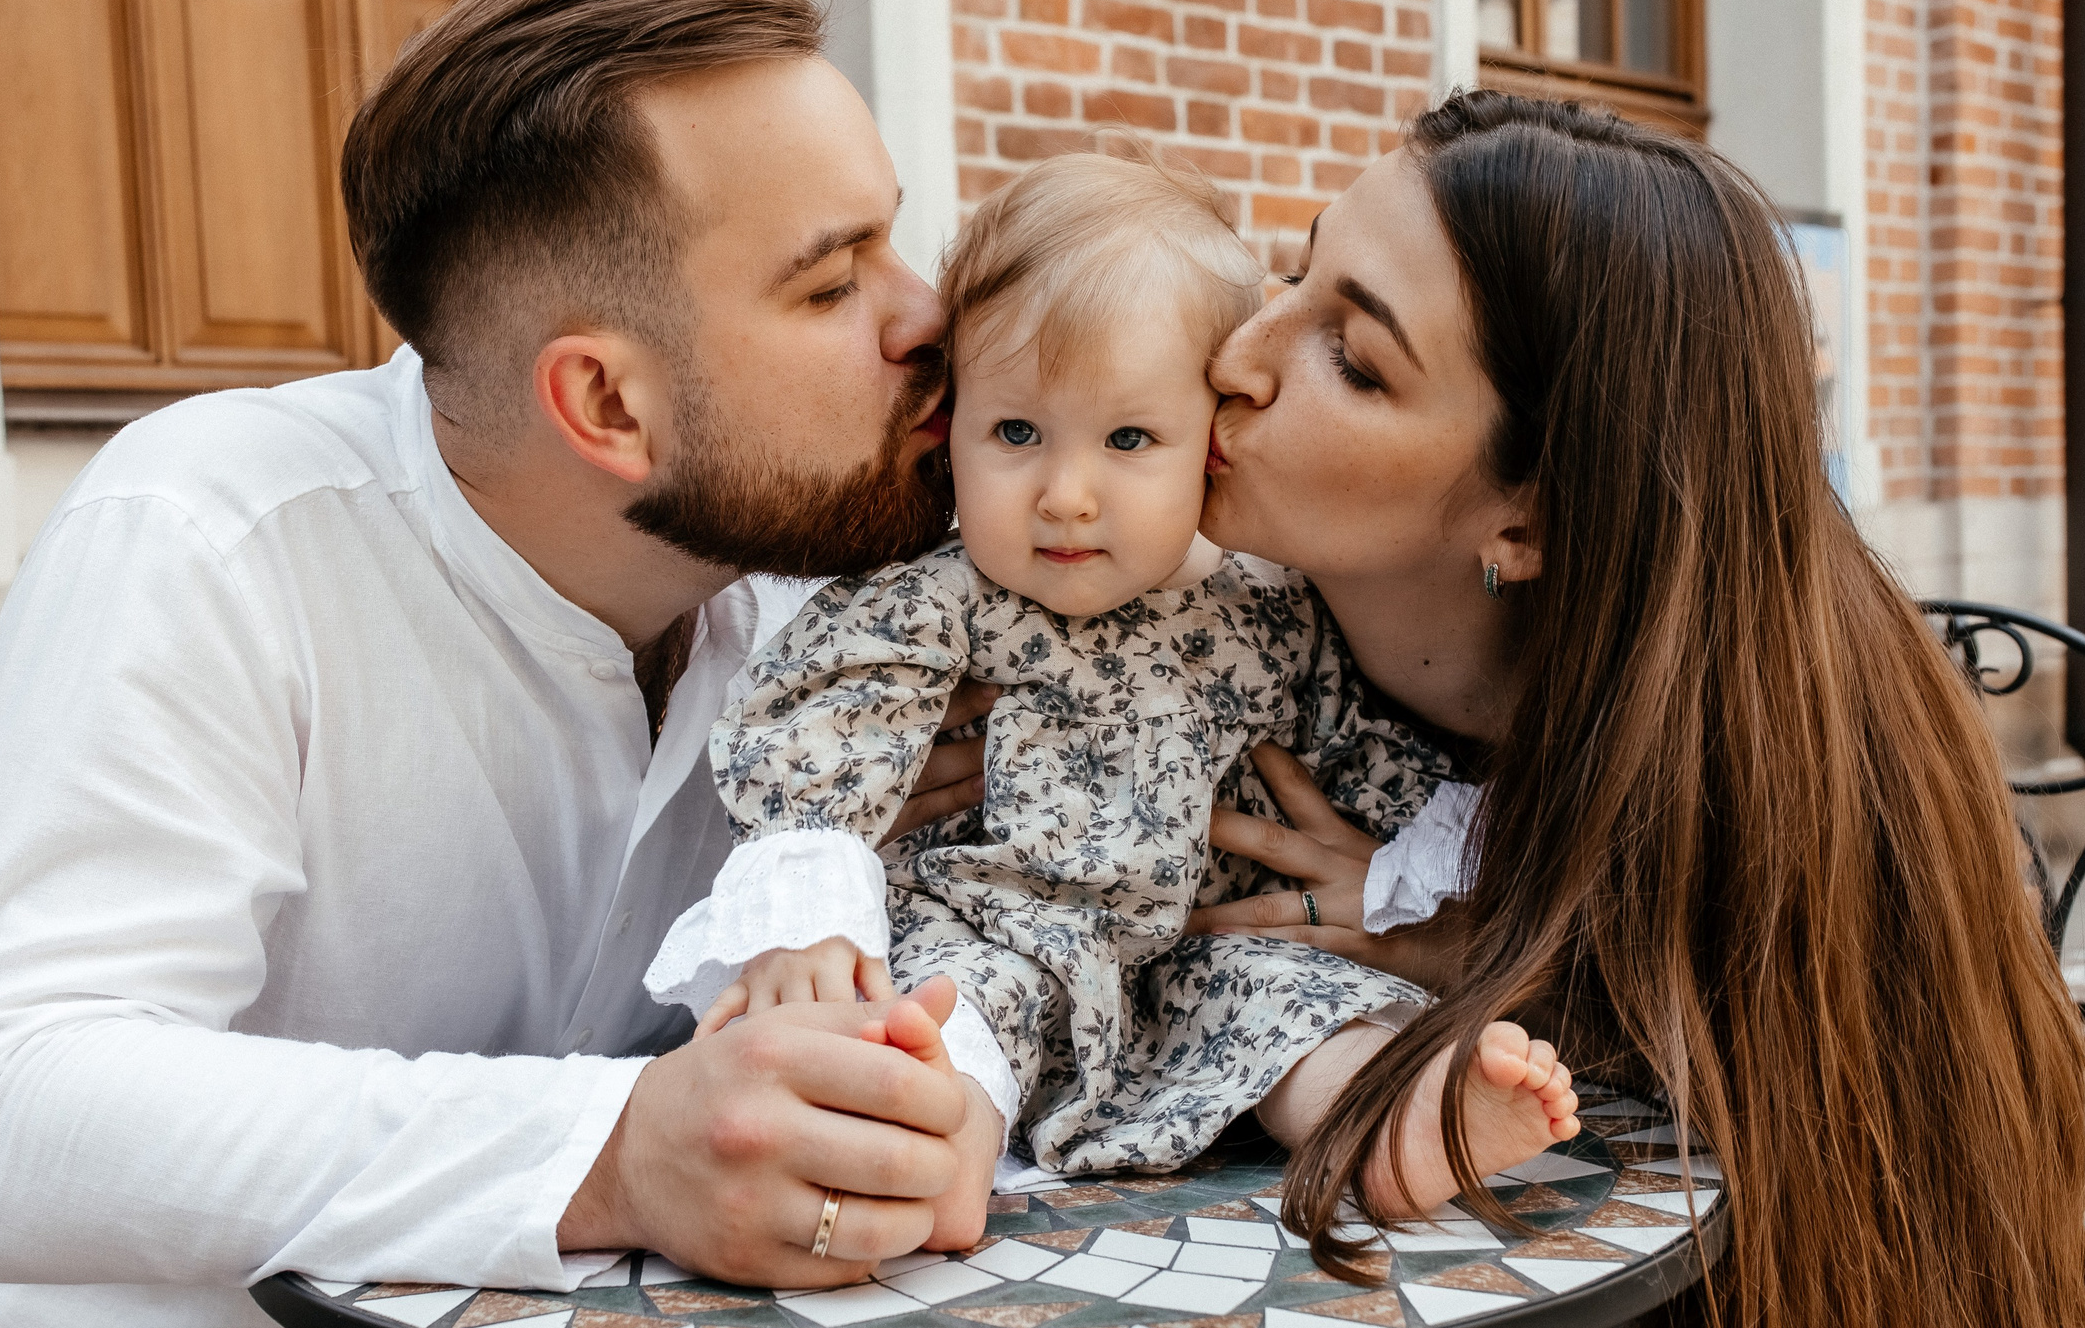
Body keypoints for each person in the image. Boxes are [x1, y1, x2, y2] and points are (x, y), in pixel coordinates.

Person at [0, 0, 1105, 1328]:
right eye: (833, 285)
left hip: (601, 1324)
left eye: (895, 235)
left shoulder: (828, 589)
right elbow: (9, 1114)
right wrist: (616, 1146)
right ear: (604, 398)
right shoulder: (208, 532)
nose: (931, 322)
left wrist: (924, 1081)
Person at [1143, 92, 2085, 1328]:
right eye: (1295, 268)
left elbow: (1835, 1246)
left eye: (1355, 353)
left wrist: (1493, 955)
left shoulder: (1784, 742)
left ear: (1528, 512)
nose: (1240, 356)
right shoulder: (1240, 633)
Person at [644, 146, 1578, 1199]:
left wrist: (1429, 892)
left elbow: (1360, 754)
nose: (1067, 496)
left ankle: (1392, 1121)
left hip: (1188, 952)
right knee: (949, 1010)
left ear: (1204, 439)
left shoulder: (1269, 608)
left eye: (1128, 436)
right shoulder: (940, 595)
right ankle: (928, 1156)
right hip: (987, 919)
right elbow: (821, 719)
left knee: (1297, 994)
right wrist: (811, 905)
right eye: (1015, 433)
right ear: (953, 427)